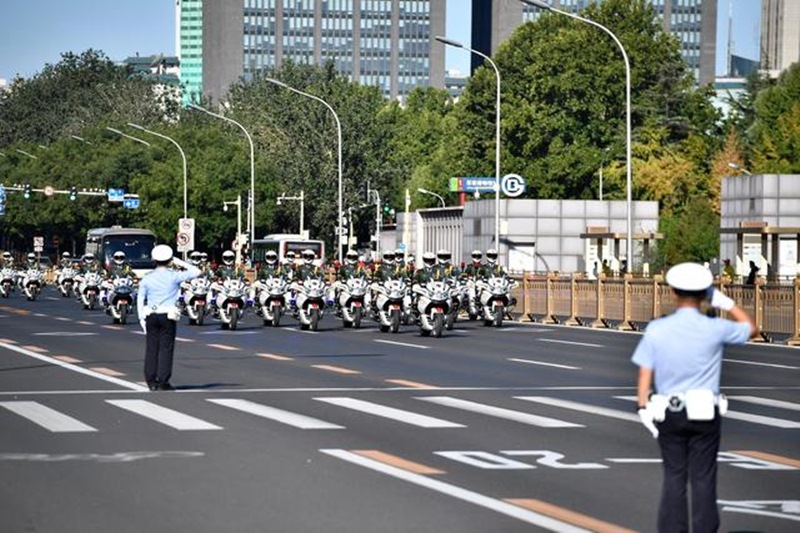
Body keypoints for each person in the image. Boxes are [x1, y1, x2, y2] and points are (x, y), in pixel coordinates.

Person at [632, 262, 757, 533]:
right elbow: (751, 329)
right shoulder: (714, 328)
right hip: (705, 412)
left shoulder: (657, 329)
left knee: (674, 476)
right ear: (705, 294)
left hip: (670, 412)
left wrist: (643, 406)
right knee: (703, 476)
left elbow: (645, 373)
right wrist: (725, 302)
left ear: (673, 292)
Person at [136, 244, 201, 391]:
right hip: (168, 315)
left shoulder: (147, 277)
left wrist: (141, 318)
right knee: (166, 348)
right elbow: (197, 271)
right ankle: (163, 381)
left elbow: (140, 298)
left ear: (154, 259)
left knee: (152, 348)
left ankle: (151, 381)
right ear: (169, 259)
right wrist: (178, 261)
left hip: (151, 315)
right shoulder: (174, 276)